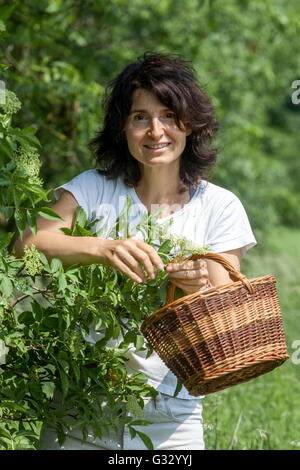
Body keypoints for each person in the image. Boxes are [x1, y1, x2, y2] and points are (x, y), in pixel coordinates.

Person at [15, 52, 256, 450]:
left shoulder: (219, 206)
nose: (155, 130)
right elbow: (25, 244)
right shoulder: (94, 188)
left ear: (190, 124)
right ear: (123, 128)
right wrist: (101, 247)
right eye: (140, 117)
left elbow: (226, 312)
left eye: (168, 115)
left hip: (171, 419)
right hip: (80, 408)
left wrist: (195, 289)